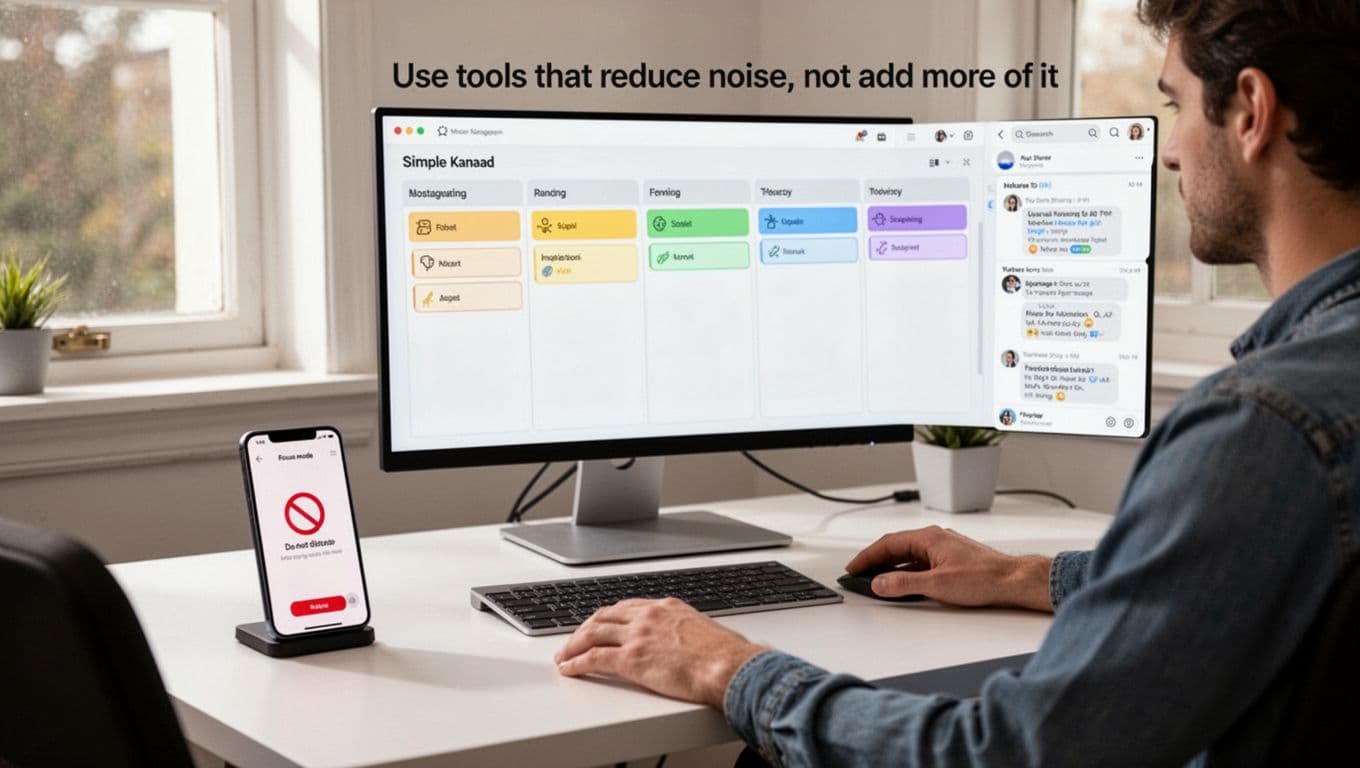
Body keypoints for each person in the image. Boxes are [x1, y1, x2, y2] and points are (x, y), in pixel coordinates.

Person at [555, 1, 1360, 765]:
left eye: (1175, 103)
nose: (1171, 149)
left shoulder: (1263, 427)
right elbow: (1230, 582)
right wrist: (1022, 575)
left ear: (1251, 110)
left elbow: (1009, 753)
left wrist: (728, 670)